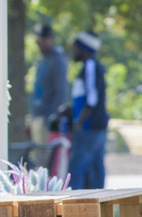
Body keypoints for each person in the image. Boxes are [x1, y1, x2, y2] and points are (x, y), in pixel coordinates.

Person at [29, 22, 71, 180]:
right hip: (37, 116)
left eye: (44, 40)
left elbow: (60, 92)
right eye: (39, 41)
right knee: (38, 160)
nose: (41, 44)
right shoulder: (41, 60)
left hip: (48, 118)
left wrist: (52, 118)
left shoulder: (57, 59)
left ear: (51, 39)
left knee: (48, 161)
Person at [66, 30, 107, 189]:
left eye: (76, 47)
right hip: (95, 126)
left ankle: (73, 206)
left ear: (84, 49)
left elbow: (92, 98)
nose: (73, 51)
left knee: (76, 169)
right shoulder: (91, 66)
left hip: (89, 127)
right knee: (96, 170)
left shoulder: (90, 65)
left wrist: (79, 122)